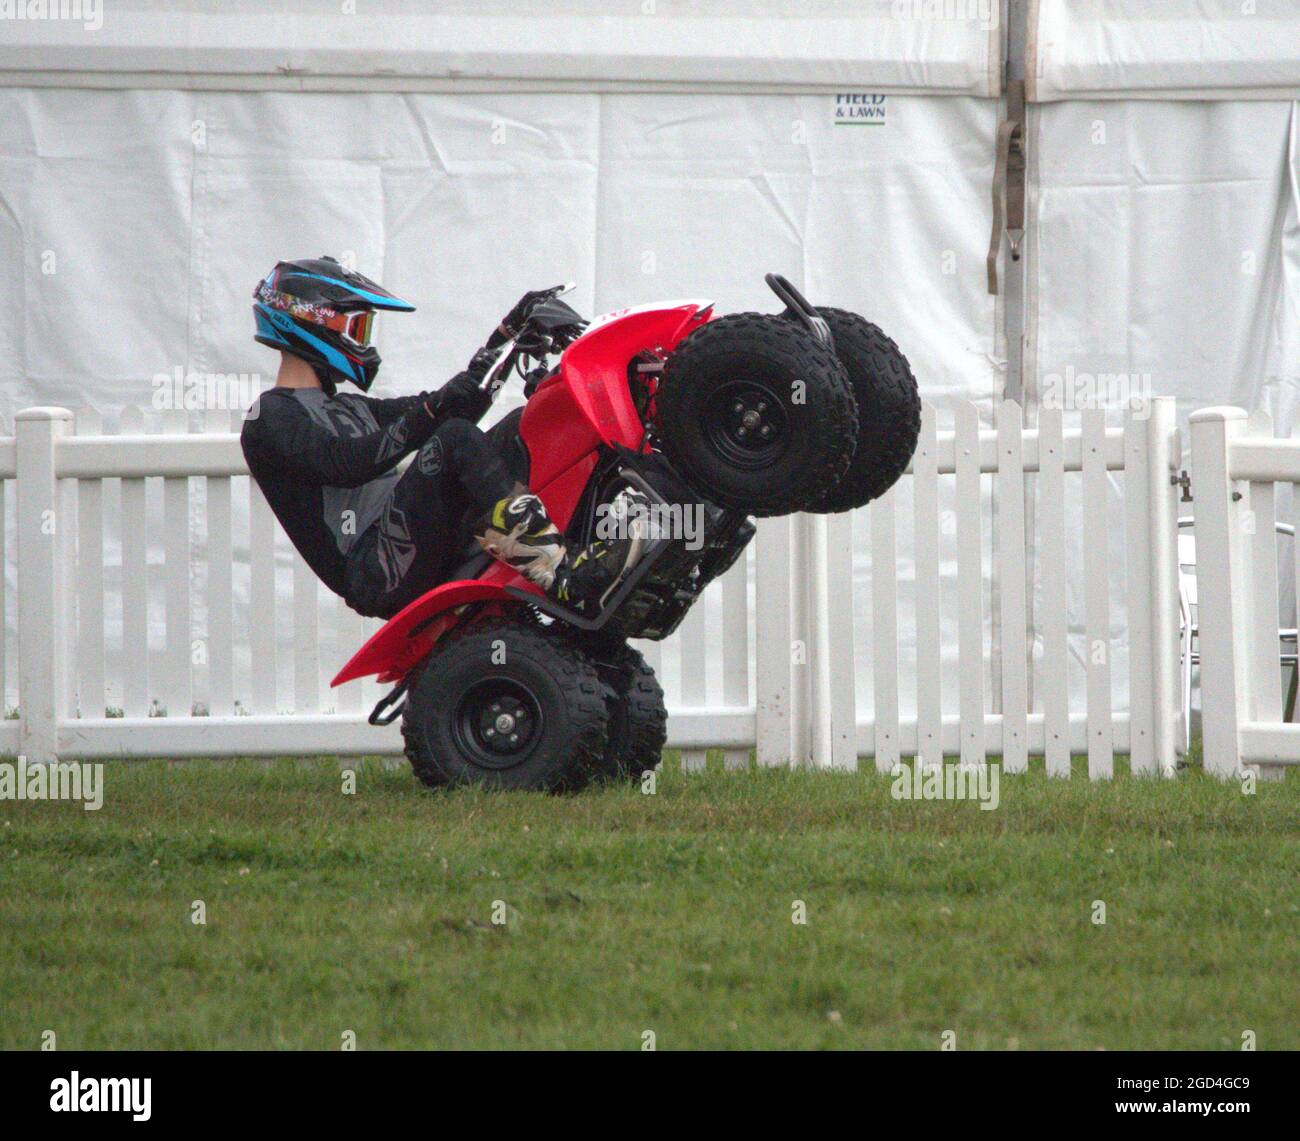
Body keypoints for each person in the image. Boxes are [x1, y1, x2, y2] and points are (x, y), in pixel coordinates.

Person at [241, 256, 643, 619]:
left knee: (524, 423)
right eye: (354, 326)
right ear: (309, 321)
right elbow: (347, 463)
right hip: (374, 571)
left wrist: (507, 335)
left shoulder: (352, 407)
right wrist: (434, 412)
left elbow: (455, 405)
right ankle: (565, 576)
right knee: (454, 437)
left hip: (406, 546)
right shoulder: (268, 417)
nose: (362, 341)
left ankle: (602, 529)